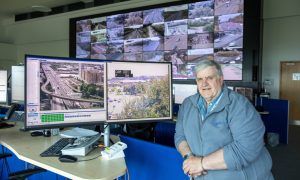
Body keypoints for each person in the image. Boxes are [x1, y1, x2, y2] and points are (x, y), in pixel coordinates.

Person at [174, 60, 274, 180]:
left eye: (209, 78)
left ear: (220, 80)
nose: (204, 83)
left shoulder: (239, 105)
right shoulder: (187, 104)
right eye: (200, 79)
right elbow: (180, 136)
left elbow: (246, 148)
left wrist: (200, 163)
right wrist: (189, 158)